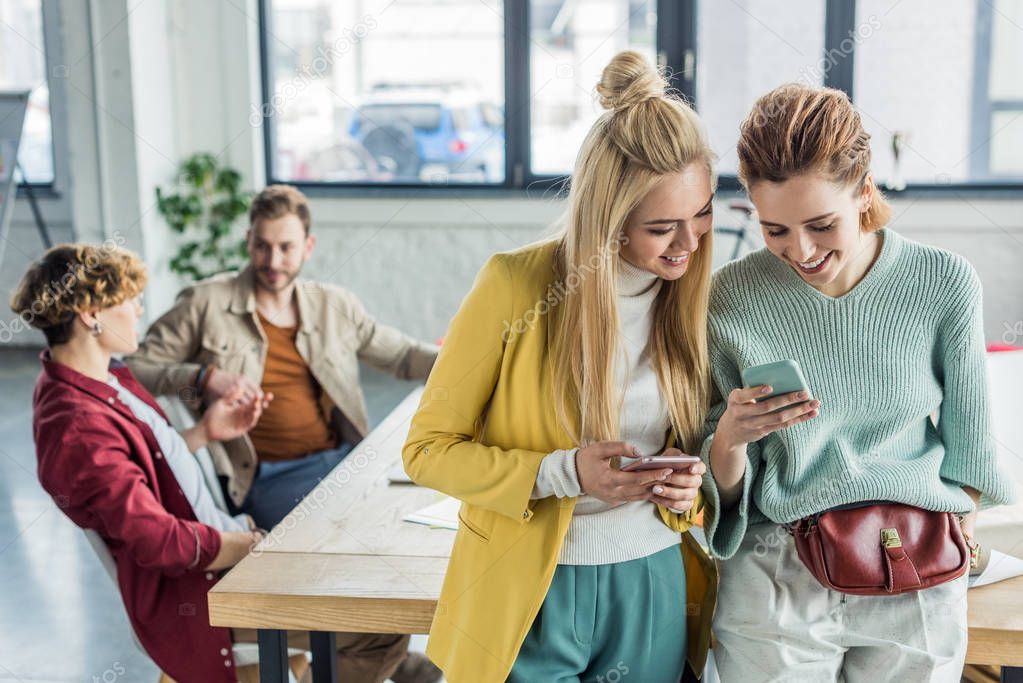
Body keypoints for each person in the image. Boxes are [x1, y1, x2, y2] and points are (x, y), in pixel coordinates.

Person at [402, 51, 717, 683]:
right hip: (526, 591)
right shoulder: (515, 287)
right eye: (662, 227)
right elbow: (427, 451)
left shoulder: (696, 298)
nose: (689, 243)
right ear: (611, 219)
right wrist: (564, 471)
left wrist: (692, 491)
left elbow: (701, 456)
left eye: (703, 213)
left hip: (650, 579)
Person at [700, 83, 1016, 681]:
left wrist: (949, 554)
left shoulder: (943, 282)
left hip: (912, 569)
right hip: (776, 575)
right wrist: (729, 439)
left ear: (865, 192)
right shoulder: (730, 297)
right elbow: (722, 495)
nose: (802, 250)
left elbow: (971, 453)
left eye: (822, 224)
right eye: (776, 230)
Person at [125, 184, 441, 682]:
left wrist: (467, 357)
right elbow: (136, 366)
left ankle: (384, 651)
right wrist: (202, 377)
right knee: (369, 544)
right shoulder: (206, 302)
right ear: (248, 241)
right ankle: (382, 651)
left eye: (286, 247)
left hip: (340, 460)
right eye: (262, 245)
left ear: (307, 247)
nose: (273, 260)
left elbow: (401, 355)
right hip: (266, 477)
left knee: (413, 514)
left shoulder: (332, 304)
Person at [13, 243, 266, 682]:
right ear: (91, 313)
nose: (139, 308)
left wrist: (204, 433)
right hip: (201, 589)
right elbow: (159, 541)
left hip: (223, 549)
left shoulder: (104, 377)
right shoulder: (77, 426)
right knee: (371, 633)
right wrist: (248, 545)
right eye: (129, 299)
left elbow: (147, 467)